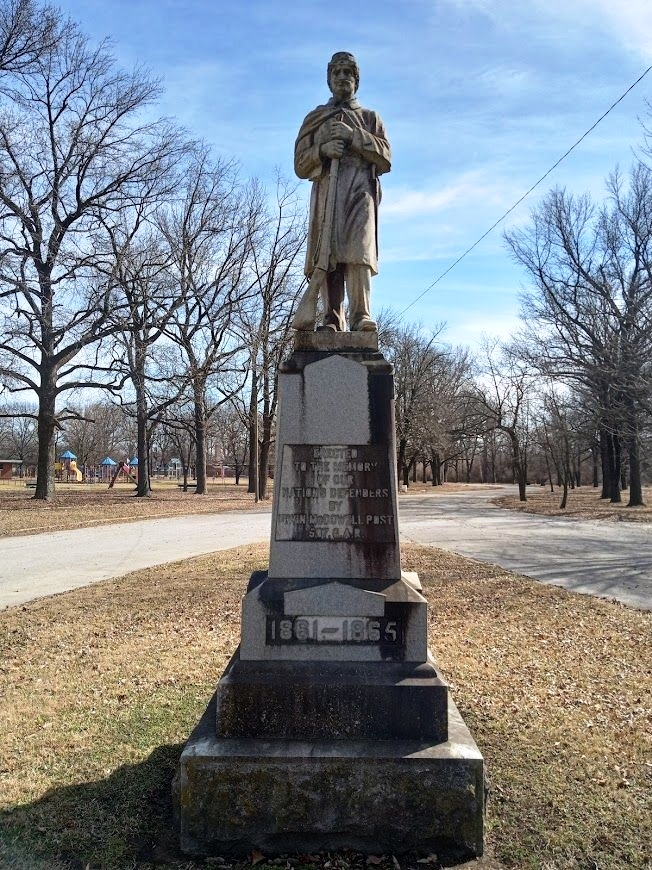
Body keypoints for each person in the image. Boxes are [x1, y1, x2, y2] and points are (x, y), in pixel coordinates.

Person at [293, 51, 391, 332]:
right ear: (329, 79)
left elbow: (386, 156)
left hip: (361, 192)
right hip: (328, 193)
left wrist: (353, 137)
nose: (342, 77)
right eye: (336, 72)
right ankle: (332, 317)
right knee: (329, 253)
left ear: (356, 80)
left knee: (358, 250)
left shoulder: (370, 118)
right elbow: (300, 164)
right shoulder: (317, 118)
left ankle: (362, 315)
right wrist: (321, 151)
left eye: (348, 72)